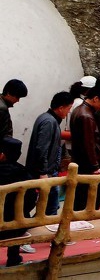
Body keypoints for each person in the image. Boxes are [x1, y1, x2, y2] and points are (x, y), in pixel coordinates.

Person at [25, 91, 73, 215]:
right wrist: (43, 172)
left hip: (48, 170)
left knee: (48, 206)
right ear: (61, 107)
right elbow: (42, 149)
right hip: (46, 172)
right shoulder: (49, 122)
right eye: (68, 108)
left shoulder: (47, 118)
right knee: (51, 208)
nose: (68, 112)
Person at [68, 84, 100, 210]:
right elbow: (89, 143)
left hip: (79, 159)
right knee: (86, 195)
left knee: (81, 195)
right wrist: (94, 166)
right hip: (87, 163)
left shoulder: (78, 110)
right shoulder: (87, 116)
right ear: (96, 98)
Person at [0, 136, 35, 266]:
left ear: (2, 155)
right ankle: (13, 257)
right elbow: (31, 201)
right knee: (19, 215)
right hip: (17, 227)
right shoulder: (24, 173)